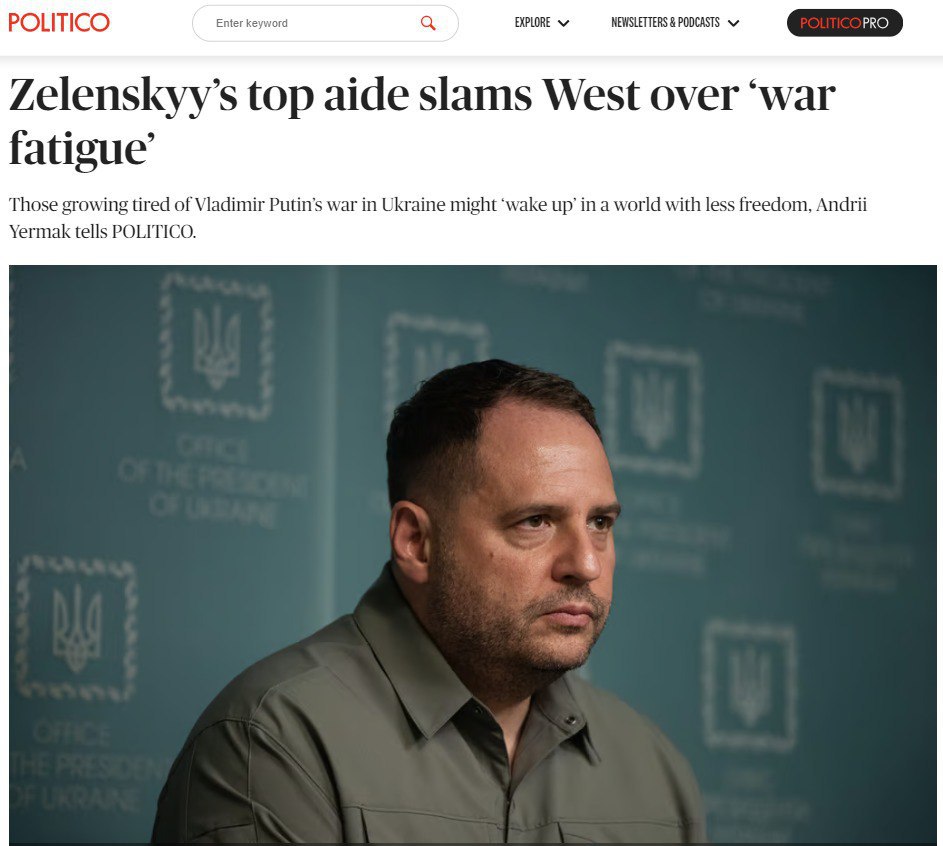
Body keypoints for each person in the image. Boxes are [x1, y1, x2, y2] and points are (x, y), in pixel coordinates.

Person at [152, 359, 706, 843]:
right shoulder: (274, 743)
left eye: (600, 523)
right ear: (416, 541)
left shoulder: (657, 773)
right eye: (536, 521)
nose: (586, 564)